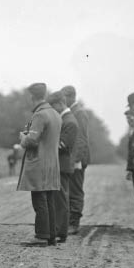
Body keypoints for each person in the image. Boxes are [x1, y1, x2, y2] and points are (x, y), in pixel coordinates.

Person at [17, 83, 61, 247]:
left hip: (39, 164)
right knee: (49, 200)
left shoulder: (40, 115)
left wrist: (23, 138)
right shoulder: (55, 114)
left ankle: (41, 236)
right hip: (52, 164)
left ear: (32, 96)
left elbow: (32, 141)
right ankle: (51, 236)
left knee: (39, 200)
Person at [47, 91, 78, 243]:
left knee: (61, 200)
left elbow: (63, 145)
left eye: (53, 106)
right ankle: (58, 230)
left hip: (62, 166)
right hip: (59, 165)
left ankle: (61, 232)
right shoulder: (65, 119)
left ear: (60, 103)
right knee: (58, 199)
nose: (53, 110)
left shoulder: (70, 121)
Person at [60, 85, 90, 235]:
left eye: (64, 97)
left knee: (75, 191)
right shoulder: (72, 112)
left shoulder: (79, 113)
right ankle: (69, 221)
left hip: (77, 158)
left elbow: (81, 138)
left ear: (71, 97)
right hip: (72, 158)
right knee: (69, 190)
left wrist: (77, 159)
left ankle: (74, 223)